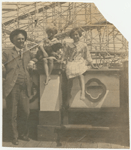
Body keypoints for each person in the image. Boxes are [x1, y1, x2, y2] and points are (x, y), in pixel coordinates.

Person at [2, 29, 34, 145]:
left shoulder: (28, 52)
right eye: (18, 39)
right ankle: (14, 136)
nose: (21, 41)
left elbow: (38, 57)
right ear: (13, 41)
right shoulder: (6, 53)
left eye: (23, 39)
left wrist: (33, 61)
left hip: (25, 86)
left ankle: (23, 134)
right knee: (12, 114)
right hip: (12, 87)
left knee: (26, 112)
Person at [64, 27, 97, 100]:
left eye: (77, 34)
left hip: (80, 61)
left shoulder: (83, 45)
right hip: (72, 61)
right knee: (70, 75)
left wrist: (92, 64)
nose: (75, 36)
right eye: (73, 35)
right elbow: (66, 55)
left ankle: (82, 93)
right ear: (71, 36)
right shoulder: (69, 45)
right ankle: (69, 92)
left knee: (81, 75)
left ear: (79, 35)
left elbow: (87, 55)